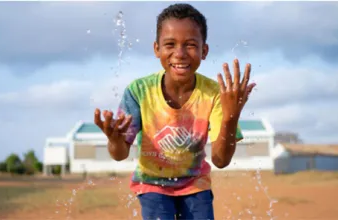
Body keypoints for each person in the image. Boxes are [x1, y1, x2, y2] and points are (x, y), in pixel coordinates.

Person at [94, 3, 255, 220]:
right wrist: (114, 141)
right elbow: (119, 154)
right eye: (170, 44)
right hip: (152, 184)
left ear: (204, 51)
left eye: (190, 45)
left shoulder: (215, 94)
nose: (179, 54)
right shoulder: (139, 91)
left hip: (196, 185)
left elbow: (220, 161)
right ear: (156, 49)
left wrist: (231, 115)